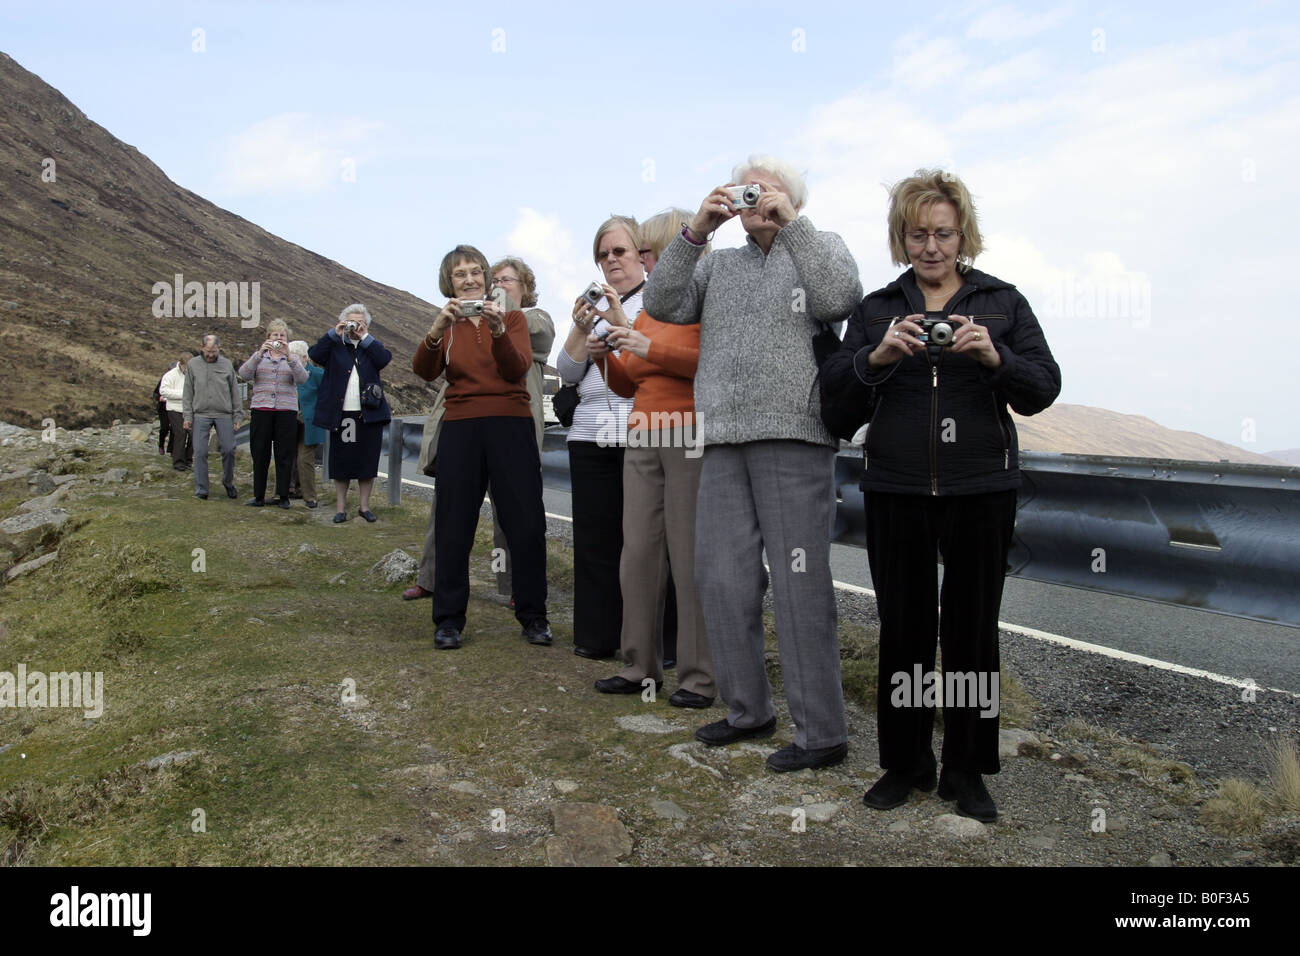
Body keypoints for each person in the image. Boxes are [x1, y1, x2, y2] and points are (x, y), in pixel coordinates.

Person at [822, 169, 1061, 820]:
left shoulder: (1002, 302)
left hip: (981, 488)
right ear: (902, 237)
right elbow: (837, 412)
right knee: (903, 631)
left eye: (943, 233)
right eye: (918, 234)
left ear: (963, 236)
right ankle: (906, 764)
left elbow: (1043, 387)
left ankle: (966, 769)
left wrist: (995, 358)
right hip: (896, 487)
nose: (931, 246)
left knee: (971, 633)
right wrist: (874, 359)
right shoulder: (876, 310)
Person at [643, 155, 861, 772]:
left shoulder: (819, 245)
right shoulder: (718, 263)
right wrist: (695, 232)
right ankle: (748, 711)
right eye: (746, 186)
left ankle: (822, 732)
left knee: (800, 587)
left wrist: (790, 224)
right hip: (723, 440)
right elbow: (661, 304)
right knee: (720, 577)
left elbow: (840, 296)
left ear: (790, 197)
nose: (753, 195)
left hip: (795, 436)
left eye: (765, 187)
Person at [588, 207, 715, 709]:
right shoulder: (649, 310)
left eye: (646, 250)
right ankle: (638, 665)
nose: (640, 258)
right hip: (642, 432)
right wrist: (608, 354)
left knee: (688, 558)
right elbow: (628, 383)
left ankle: (698, 678)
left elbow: (708, 364)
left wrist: (647, 347)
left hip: (688, 433)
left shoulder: (705, 302)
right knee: (637, 554)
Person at [411, 244, 552, 650]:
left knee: (525, 523)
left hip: (511, 424)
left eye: (476, 271)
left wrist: (498, 331)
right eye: (460, 274)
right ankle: (449, 620)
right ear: (448, 283)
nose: (470, 279)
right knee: (454, 523)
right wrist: (436, 330)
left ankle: (533, 615)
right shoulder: (447, 324)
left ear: (487, 278)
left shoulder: (511, 318)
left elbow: (516, 368)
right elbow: (424, 370)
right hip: (461, 426)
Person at [556, 216, 645, 660]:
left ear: (640, 255)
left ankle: (644, 639)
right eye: (603, 254)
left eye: (620, 251)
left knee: (642, 541)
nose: (611, 260)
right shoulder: (590, 308)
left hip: (637, 426)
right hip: (589, 430)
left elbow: (646, 358)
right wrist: (579, 325)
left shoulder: (658, 300)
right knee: (594, 539)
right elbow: (568, 372)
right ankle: (596, 635)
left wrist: (618, 316)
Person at [309, 304, 392, 524]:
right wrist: (334, 334)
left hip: (368, 414)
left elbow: (384, 359)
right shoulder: (336, 344)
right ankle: (340, 508)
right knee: (342, 461)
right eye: (351, 321)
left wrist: (366, 337)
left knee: (367, 461)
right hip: (343, 415)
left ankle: (364, 507)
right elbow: (315, 354)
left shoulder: (370, 346)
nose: (355, 325)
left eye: (360, 321)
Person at [239, 319, 309, 509]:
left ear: (287, 339)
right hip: (262, 411)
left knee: (285, 454)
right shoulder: (259, 358)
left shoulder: (292, 359)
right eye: (275, 335)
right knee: (260, 453)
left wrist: (289, 356)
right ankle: (258, 496)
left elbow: (303, 378)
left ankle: (283, 496)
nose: (278, 338)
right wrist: (258, 354)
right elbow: (243, 374)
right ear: (268, 337)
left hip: (286, 412)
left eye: (282, 335)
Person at [183, 334, 241, 500]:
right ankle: (202, 489)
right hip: (200, 414)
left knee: (229, 449)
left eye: (213, 351)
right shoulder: (193, 365)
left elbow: (235, 392)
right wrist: (187, 416)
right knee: (200, 452)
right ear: (202, 348)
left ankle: (228, 482)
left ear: (219, 349)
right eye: (207, 351)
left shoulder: (227, 364)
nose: (210, 355)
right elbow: (188, 392)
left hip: (224, 414)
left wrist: (237, 416)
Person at [289, 340, 325, 509]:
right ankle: (285, 491)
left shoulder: (317, 374)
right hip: (289, 421)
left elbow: (328, 397)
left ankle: (310, 496)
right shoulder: (287, 373)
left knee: (304, 459)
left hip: (309, 423)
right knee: (286, 456)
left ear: (305, 357)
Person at [158, 353, 193, 471]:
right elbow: (163, 391)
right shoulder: (170, 375)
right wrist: (183, 394)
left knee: (194, 435)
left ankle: (188, 460)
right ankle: (178, 462)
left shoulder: (195, 374)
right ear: (181, 365)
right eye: (186, 367)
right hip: (174, 409)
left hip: (191, 409)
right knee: (181, 434)